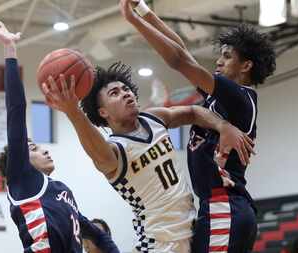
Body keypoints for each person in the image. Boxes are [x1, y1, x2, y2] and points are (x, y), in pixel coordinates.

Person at [41, 55, 254, 252]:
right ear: (103, 112)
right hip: (158, 243)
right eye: (114, 93)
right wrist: (73, 112)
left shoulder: (153, 118)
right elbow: (99, 155)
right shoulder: (114, 150)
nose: (125, 93)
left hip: (190, 233)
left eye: (126, 89)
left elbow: (193, 111)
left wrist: (223, 126)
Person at [119, 0, 277, 252]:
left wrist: (134, 21)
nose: (218, 61)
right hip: (215, 207)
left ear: (246, 66)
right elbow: (181, 50)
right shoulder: (219, 98)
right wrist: (143, 10)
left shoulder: (240, 98)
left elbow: (180, 60)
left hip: (224, 205)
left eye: (227, 56)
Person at [0, 18, 120, 253]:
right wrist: (10, 51)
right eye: (33, 148)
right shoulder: (22, 179)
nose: (45, 149)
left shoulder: (62, 190)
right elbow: (16, 110)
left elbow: (98, 235)